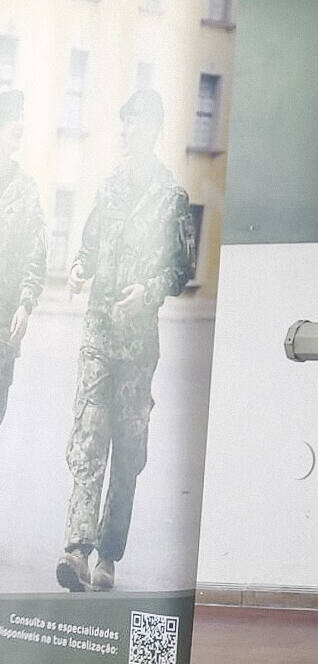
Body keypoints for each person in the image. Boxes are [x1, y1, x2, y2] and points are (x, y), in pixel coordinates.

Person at [58, 88, 195, 593]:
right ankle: (76, 550)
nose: (123, 131)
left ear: (152, 129)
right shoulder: (109, 188)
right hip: (99, 333)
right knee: (89, 436)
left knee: (128, 449)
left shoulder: (172, 197)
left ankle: (109, 556)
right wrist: (78, 269)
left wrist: (149, 291)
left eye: (132, 122)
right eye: (122, 122)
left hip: (138, 345)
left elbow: (182, 268)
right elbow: (89, 248)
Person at [0, 88, 47, 428]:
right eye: (10, 117)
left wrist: (25, 304)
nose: (19, 124)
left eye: (21, 117)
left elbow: (36, 253)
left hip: (4, 326)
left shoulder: (26, 189)